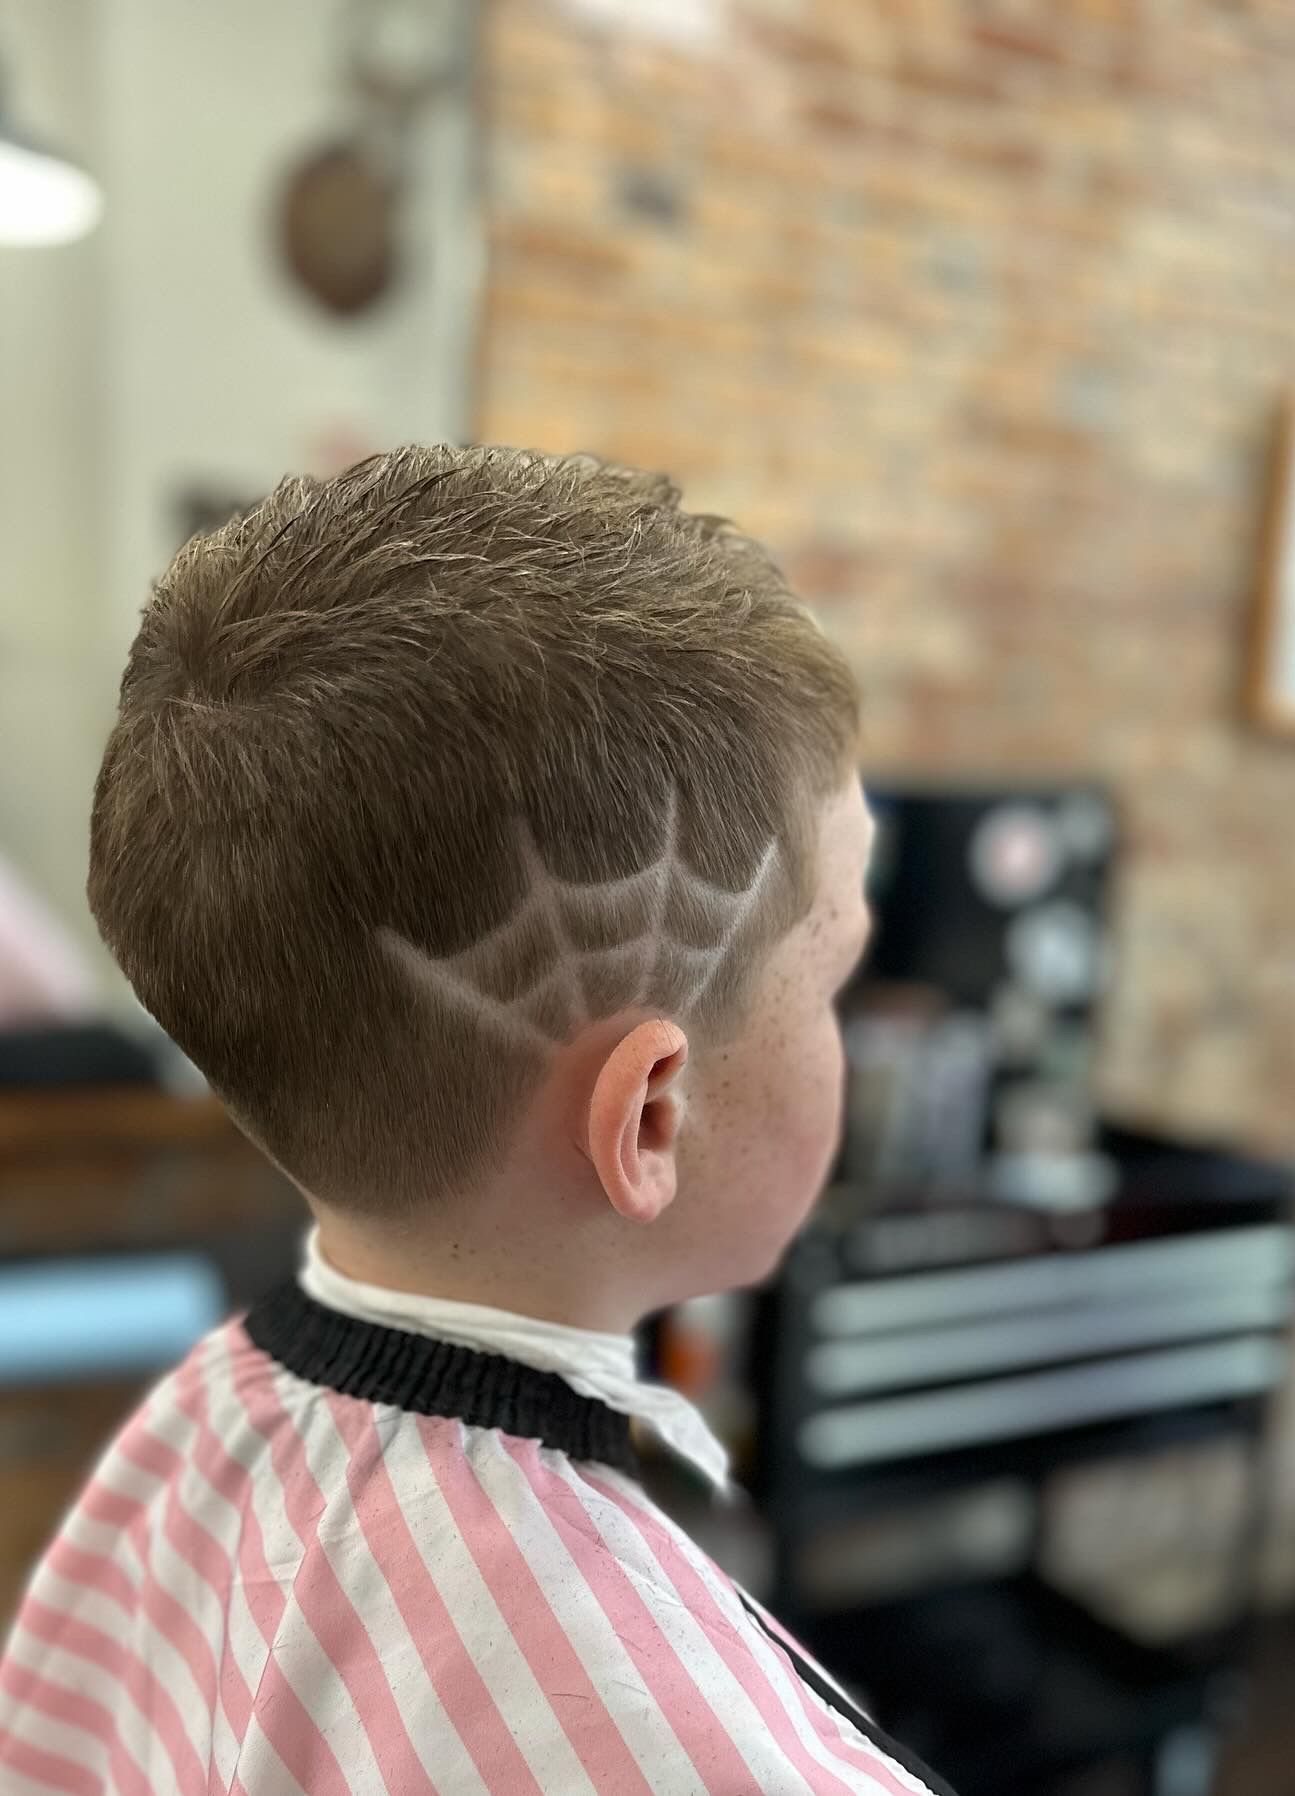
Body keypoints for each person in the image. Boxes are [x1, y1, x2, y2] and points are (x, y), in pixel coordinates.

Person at [0, 447, 956, 1796]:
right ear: (651, 1117)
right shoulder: (682, 1748)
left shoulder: (185, 1439)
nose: (844, 1038)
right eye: (834, 984)